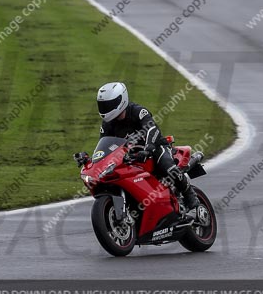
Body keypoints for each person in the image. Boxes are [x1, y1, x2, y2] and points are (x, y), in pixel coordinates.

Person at [75, 82, 199, 212]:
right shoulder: (108, 124)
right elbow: (104, 144)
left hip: (154, 147)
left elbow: (152, 128)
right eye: (103, 105)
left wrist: (148, 148)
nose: (105, 108)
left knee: (167, 165)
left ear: (120, 100)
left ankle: (189, 194)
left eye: (108, 105)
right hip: (130, 156)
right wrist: (91, 160)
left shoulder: (137, 111)